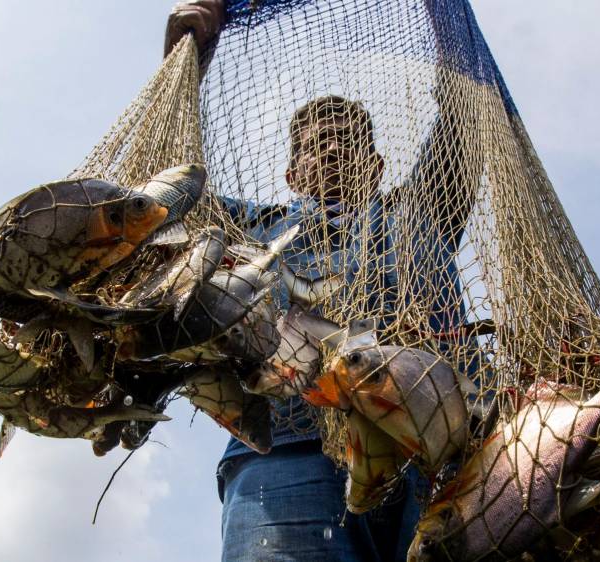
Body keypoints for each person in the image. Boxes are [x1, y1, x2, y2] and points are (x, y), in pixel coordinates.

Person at [165, 2, 476, 560]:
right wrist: (187, 59)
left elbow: (465, 128)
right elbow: (168, 187)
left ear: (377, 164)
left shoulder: (421, 209)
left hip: (439, 463)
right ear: (291, 173)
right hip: (286, 455)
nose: (332, 147)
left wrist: (446, 17)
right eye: (314, 143)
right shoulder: (251, 231)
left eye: (349, 138)